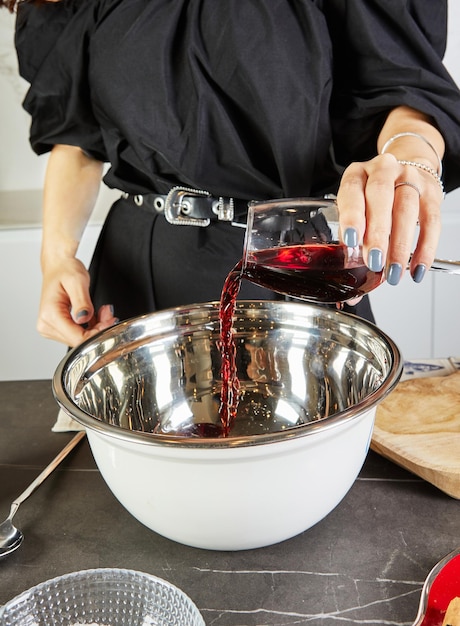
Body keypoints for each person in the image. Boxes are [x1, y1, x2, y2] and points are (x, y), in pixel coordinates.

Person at [3, 0, 460, 347]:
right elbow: (78, 139)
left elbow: (404, 89)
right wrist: (56, 257)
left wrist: (411, 156)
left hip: (290, 258)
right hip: (136, 269)